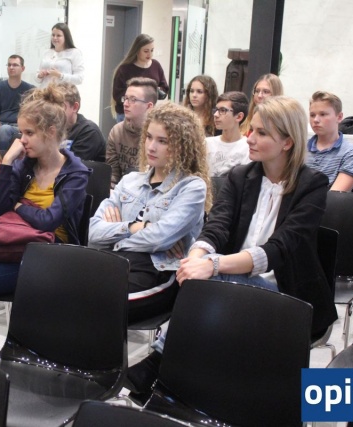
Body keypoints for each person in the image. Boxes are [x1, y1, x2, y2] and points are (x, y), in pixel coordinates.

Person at [126, 96, 338, 403]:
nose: (249, 138)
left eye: (261, 133)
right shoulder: (241, 176)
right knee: (204, 275)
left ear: (287, 142)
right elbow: (217, 226)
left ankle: (159, 362)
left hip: (289, 296)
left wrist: (212, 265)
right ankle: (175, 386)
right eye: (252, 130)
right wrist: (194, 260)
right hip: (234, 289)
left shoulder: (313, 184)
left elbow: (279, 248)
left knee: (217, 276)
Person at [89, 102, 210, 323]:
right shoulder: (129, 181)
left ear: (182, 146)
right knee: (68, 292)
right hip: (113, 261)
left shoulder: (191, 187)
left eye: (163, 141)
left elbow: (160, 238)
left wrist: (115, 236)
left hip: (156, 270)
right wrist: (136, 227)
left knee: (95, 304)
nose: (151, 147)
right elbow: (93, 233)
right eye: (149, 137)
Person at [0, 84, 90, 297]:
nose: (22, 140)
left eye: (29, 133)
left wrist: (17, 206)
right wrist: (6, 162)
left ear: (51, 132)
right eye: (21, 132)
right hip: (17, 242)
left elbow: (48, 221)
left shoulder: (75, 173)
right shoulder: (24, 164)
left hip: (52, 253)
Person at [106, 77, 158, 188]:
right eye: (125, 98)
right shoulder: (117, 131)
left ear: (149, 106)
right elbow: (112, 175)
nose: (125, 104)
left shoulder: (158, 136)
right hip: (121, 191)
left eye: (133, 100)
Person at [305, 91, 353, 191]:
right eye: (312, 115)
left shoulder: (352, 153)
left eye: (323, 114)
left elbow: (335, 196)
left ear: (339, 117)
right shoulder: (299, 148)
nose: (316, 120)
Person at [111, 34, 169, 122]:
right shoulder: (124, 69)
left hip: (148, 114)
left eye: (152, 50)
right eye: (146, 51)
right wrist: (135, 98)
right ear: (137, 51)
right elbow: (117, 95)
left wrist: (155, 91)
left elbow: (164, 87)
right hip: (127, 115)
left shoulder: (156, 65)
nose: (150, 54)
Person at [0, 55, 35, 150]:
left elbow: (32, 115)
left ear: (23, 68)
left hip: (18, 126)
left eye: (15, 65)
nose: (11, 67)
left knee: (5, 129)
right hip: (0, 124)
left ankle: (3, 158)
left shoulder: (30, 89)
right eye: (9, 65)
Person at [57, 82, 106, 162]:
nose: (54, 110)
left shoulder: (89, 132)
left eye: (60, 105)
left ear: (75, 107)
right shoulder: (54, 128)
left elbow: (71, 165)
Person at [205, 91, 250, 177]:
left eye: (223, 110)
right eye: (216, 110)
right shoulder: (206, 143)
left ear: (239, 117)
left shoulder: (248, 147)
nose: (216, 115)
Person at [35, 23, 84, 88]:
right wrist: (40, 75)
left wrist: (60, 75)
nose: (55, 38)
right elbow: (37, 79)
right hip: (45, 92)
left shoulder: (74, 52)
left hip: (62, 92)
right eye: (53, 35)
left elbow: (79, 79)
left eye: (58, 35)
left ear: (66, 37)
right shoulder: (47, 52)